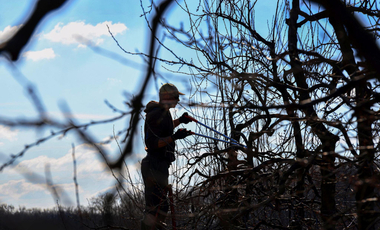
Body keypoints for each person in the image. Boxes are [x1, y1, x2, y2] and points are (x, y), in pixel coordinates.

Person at [141, 83, 193, 230]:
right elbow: (152, 143)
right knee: (155, 208)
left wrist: (180, 122)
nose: (178, 100)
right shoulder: (156, 113)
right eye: (176, 97)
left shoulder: (163, 113)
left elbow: (164, 130)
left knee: (161, 206)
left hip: (159, 164)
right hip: (154, 164)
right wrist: (175, 137)